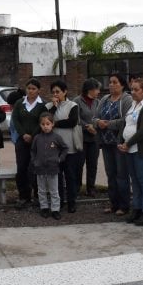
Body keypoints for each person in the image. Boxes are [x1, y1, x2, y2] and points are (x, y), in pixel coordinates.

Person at [118, 78, 143, 226]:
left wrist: (128, 143)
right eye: (132, 89)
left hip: (141, 149)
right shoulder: (133, 105)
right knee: (134, 180)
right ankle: (137, 208)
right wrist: (121, 142)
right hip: (129, 149)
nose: (132, 92)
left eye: (136, 89)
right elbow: (125, 123)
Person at [96, 73, 132, 215]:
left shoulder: (127, 99)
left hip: (119, 143)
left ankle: (124, 205)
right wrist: (98, 122)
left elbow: (126, 120)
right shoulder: (104, 99)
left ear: (122, 85)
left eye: (115, 82)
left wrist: (108, 124)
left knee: (121, 174)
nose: (111, 84)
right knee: (110, 174)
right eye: (110, 82)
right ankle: (113, 204)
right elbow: (95, 117)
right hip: (105, 143)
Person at [47, 80, 83, 213]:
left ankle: (72, 202)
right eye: (53, 92)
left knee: (70, 176)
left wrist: (55, 123)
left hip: (70, 147)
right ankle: (59, 201)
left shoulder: (73, 105)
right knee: (57, 176)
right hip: (54, 148)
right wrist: (54, 107)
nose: (55, 94)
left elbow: (72, 122)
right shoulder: (49, 106)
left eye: (58, 92)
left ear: (65, 92)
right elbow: (47, 121)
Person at [10, 78, 46, 208]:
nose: (30, 91)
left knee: (35, 168)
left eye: (33, 89)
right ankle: (23, 196)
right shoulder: (20, 103)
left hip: (36, 141)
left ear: (38, 90)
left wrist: (32, 135)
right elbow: (15, 119)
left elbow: (42, 121)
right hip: (22, 140)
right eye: (29, 88)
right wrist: (23, 134)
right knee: (22, 168)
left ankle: (37, 195)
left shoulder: (43, 104)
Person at [31, 112, 68, 220]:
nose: (45, 126)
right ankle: (44, 208)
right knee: (41, 190)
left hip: (53, 169)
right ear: (40, 125)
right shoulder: (37, 138)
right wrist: (35, 161)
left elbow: (65, 148)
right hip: (40, 169)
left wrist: (60, 159)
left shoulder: (57, 137)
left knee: (54, 190)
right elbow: (33, 151)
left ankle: (55, 209)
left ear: (52, 124)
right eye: (43, 124)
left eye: (48, 124)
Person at [73, 78, 102, 197]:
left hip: (94, 139)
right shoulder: (77, 101)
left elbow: (101, 116)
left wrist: (95, 126)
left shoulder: (98, 102)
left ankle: (91, 188)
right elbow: (76, 117)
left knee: (92, 164)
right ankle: (76, 188)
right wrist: (86, 126)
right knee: (79, 164)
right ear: (90, 89)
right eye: (97, 89)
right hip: (82, 138)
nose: (98, 92)